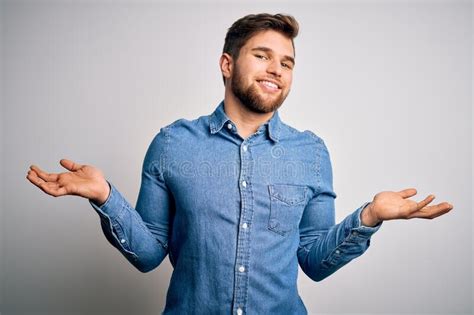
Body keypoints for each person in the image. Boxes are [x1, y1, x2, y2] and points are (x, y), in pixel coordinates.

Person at [26, 13, 453, 315]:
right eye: (263, 55)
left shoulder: (311, 153)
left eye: (286, 62)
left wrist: (369, 216)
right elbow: (149, 254)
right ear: (227, 65)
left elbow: (314, 262)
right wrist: (104, 196)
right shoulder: (172, 144)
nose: (277, 69)